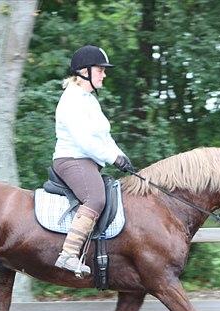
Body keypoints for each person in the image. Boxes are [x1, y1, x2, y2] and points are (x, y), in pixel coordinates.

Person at [51, 45, 134, 276]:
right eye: (100, 70)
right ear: (84, 71)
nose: (104, 74)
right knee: (96, 198)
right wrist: (113, 158)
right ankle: (68, 255)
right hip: (72, 160)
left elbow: (103, 136)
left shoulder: (88, 100)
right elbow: (85, 142)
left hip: (88, 161)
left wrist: (122, 156)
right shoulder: (72, 101)